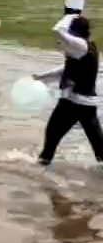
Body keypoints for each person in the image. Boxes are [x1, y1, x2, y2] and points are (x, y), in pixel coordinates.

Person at [34, 14, 103, 167]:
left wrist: (69, 15)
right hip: (85, 105)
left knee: (51, 137)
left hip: (73, 103)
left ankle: (40, 170)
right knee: (100, 150)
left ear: (74, 31)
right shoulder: (83, 48)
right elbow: (66, 69)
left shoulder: (80, 45)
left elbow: (58, 30)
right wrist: (43, 77)